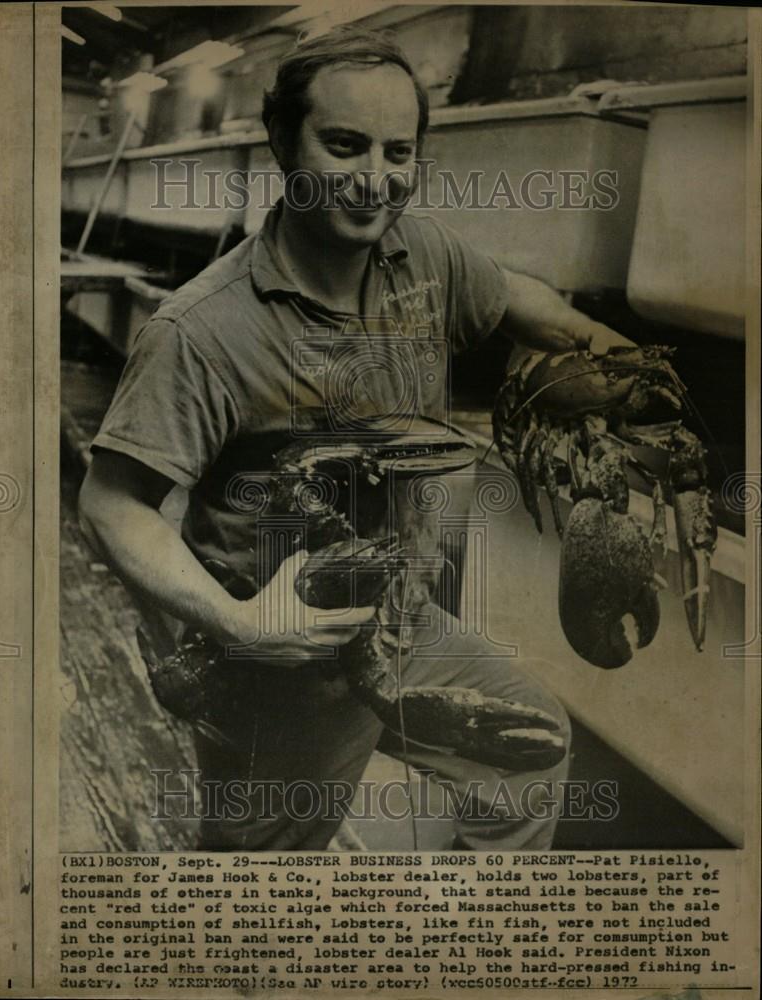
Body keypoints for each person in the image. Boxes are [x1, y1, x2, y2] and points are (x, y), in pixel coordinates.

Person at [79, 28, 632, 851]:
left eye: (398, 151)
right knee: (261, 893)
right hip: (278, 655)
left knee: (528, 759)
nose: (376, 179)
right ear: (280, 140)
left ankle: (468, 969)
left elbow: (513, 294)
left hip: (399, 619)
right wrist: (240, 626)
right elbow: (112, 504)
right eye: (345, 146)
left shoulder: (422, 256)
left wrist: (603, 349)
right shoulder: (202, 329)